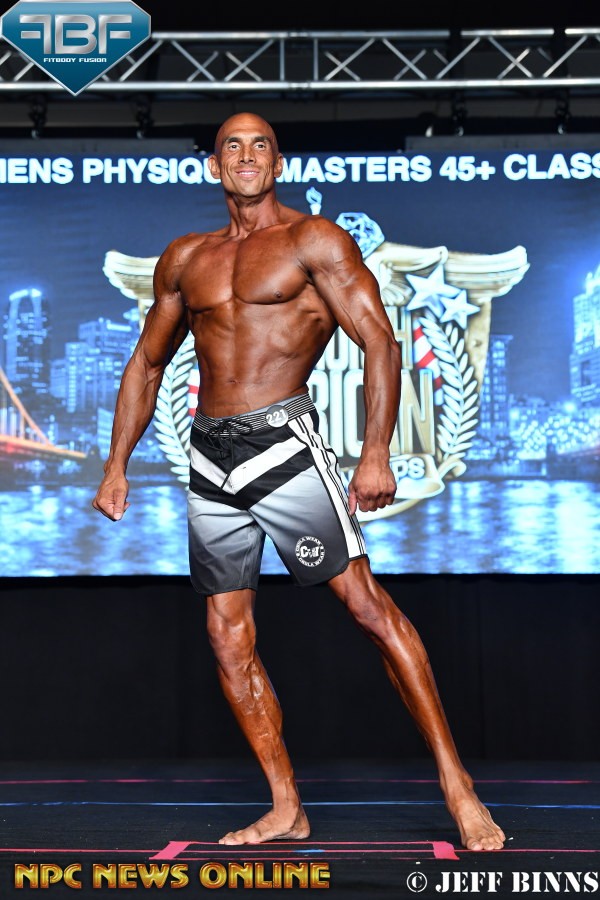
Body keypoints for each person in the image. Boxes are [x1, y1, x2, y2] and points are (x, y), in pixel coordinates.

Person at [93, 112, 505, 852]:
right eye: (233, 146)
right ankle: (286, 805)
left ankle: (457, 784)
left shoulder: (312, 241)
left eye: (260, 145)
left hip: (284, 444)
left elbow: (378, 338)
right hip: (209, 456)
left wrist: (375, 452)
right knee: (226, 638)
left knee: (368, 609)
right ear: (215, 166)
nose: (247, 155)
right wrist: (116, 464)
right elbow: (148, 362)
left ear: (277, 162)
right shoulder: (186, 257)